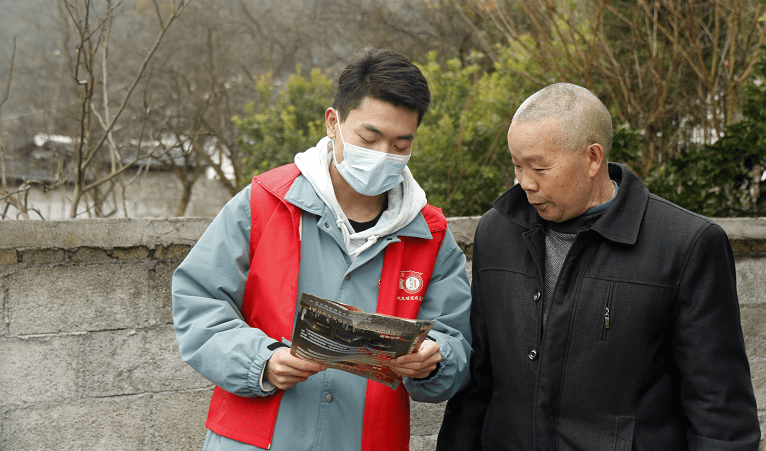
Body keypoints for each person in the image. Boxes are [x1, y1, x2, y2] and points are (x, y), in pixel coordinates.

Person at [172, 48, 472, 451]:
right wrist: (260, 360)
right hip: (252, 440)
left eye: (401, 144)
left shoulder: (431, 235)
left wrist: (434, 360)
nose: (384, 155)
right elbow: (198, 300)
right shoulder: (264, 202)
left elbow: (456, 341)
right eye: (370, 137)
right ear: (333, 122)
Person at [436, 83, 760, 450]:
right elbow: (477, 386)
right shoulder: (498, 231)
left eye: (539, 167)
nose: (525, 183)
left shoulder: (686, 245)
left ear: (593, 159)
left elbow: (719, 407)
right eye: (517, 166)